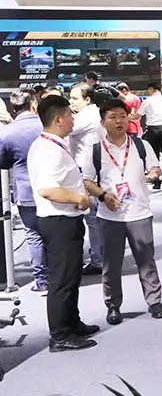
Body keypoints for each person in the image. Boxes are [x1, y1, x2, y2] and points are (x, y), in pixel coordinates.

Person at [26, 95, 101, 352]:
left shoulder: (53, 145)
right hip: (58, 221)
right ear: (58, 120)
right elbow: (49, 190)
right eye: (70, 114)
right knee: (61, 279)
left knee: (72, 275)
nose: (73, 119)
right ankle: (60, 335)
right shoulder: (48, 150)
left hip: (66, 220)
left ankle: (72, 322)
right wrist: (79, 199)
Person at [82, 99, 162, 325]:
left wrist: (153, 175)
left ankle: (154, 301)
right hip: (110, 216)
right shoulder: (95, 150)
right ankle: (113, 305)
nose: (119, 121)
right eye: (112, 117)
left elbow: (155, 168)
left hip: (140, 213)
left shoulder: (141, 145)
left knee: (146, 260)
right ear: (103, 122)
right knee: (111, 264)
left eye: (122, 116)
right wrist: (103, 196)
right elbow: (87, 181)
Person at [0, 90, 45, 291]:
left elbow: (3, 162)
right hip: (50, 187)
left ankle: (42, 280)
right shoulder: (45, 125)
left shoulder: (7, 132)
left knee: (33, 235)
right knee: (53, 234)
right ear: (32, 104)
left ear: (13, 108)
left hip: (25, 190)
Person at [68, 83, 104, 274]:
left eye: (75, 98)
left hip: (85, 171)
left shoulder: (84, 117)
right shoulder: (96, 113)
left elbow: (62, 129)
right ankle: (99, 257)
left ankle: (98, 260)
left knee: (92, 218)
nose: (71, 101)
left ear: (87, 99)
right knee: (95, 218)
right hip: (93, 169)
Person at [137, 81, 162, 189]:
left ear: (151, 89)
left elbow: (138, 115)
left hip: (153, 130)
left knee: (154, 156)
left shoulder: (148, 101)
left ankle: (156, 182)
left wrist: (128, 117)